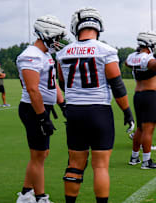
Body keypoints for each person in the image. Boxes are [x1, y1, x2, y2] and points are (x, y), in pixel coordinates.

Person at [56, 7, 134, 203]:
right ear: (98, 26)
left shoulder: (63, 52)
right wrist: (127, 112)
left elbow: (63, 83)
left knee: (74, 163)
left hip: (74, 110)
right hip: (99, 110)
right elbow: (117, 85)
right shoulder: (106, 51)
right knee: (100, 166)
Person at [16, 15, 67, 203]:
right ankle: (40, 198)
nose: (58, 41)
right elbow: (32, 89)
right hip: (33, 109)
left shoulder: (45, 54)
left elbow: (52, 85)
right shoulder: (31, 55)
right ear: (46, 34)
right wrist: (42, 117)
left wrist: (62, 104)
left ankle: (25, 193)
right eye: (56, 37)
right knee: (38, 155)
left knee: (41, 154)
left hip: (40, 107)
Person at [125, 31, 156, 169]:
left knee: (140, 128)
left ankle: (134, 157)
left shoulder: (132, 56)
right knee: (148, 129)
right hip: (149, 95)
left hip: (138, 95)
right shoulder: (146, 58)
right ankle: (146, 161)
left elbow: (128, 63)